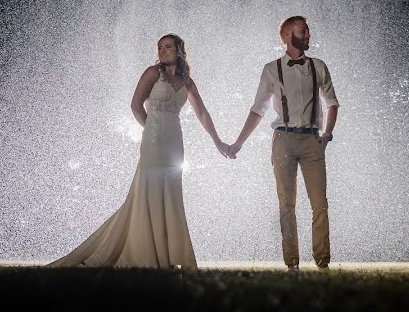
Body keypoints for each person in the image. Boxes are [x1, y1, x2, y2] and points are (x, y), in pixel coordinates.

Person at [48, 34, 230, 269]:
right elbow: (135, 105)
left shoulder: (187, 81)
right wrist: (151, 129)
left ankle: (168, 255)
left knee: (171, 195)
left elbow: (202, 113)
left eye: (168, 47)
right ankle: (144, 253)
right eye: (160, 47)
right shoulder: (153, 73)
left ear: (179, 50)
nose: (163, 51)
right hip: (153, 139)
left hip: (175, 141)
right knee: (148, 191)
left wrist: (218, 142)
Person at [227, 16, 339, 271]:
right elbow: (258, 109)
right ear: (289, 35)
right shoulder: (271, 69)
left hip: (312, 140)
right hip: (283, 140)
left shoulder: (318, 66)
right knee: (286, 204)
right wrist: (239, 142)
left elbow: (332, 102)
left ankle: (322, 264)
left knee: (319, 203)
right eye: (304, 31)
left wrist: (327, 135)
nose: (309, 35)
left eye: (308, 30)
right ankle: (292, 265)